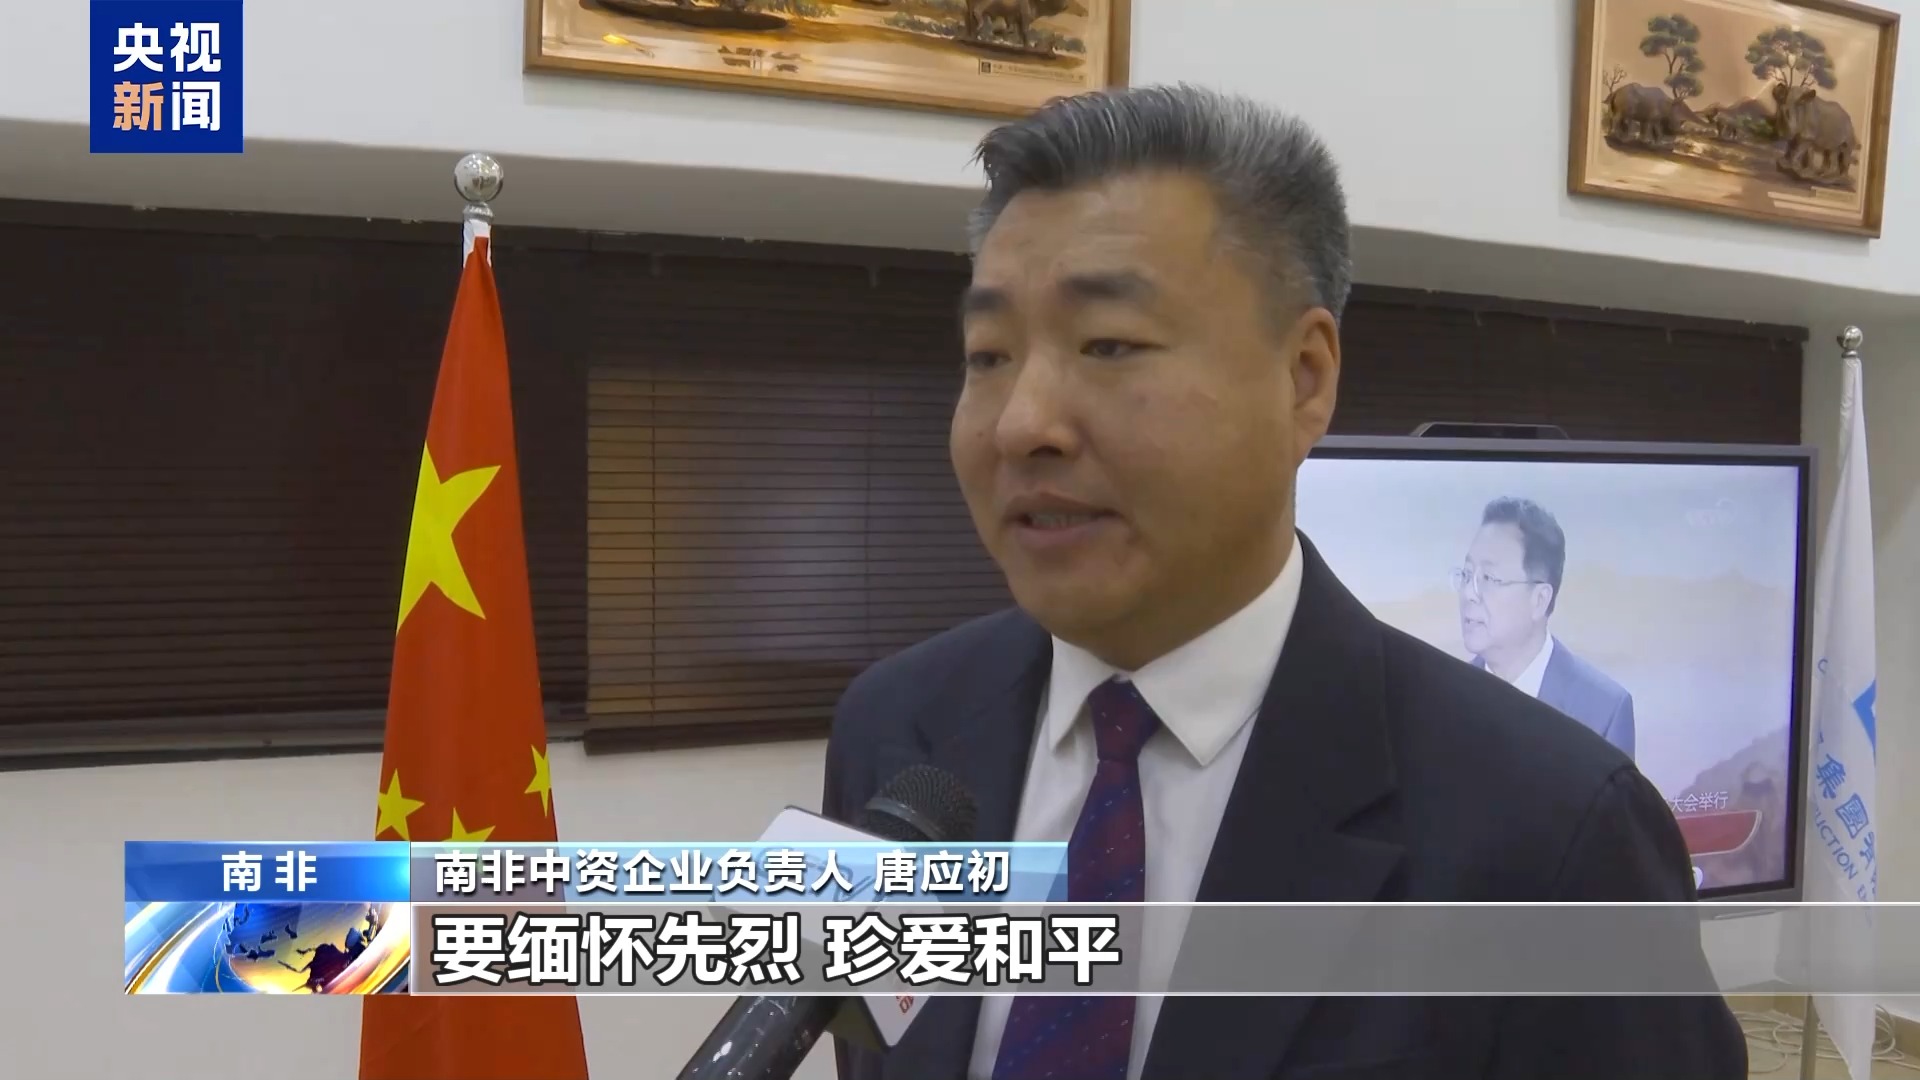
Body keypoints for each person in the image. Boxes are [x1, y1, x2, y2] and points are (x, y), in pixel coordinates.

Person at [821, 83, 1744, 1080]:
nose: (1020, 423)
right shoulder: (895, 729)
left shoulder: (1557, 833)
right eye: (989, 355)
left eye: (1109, 345)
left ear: (1305, 376)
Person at [1457, 496, 1637, 756]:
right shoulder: (1446, 696)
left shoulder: (1604, 712)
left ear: (1540, 600)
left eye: (1489, 578)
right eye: (1466, 575)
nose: (1468, 593)